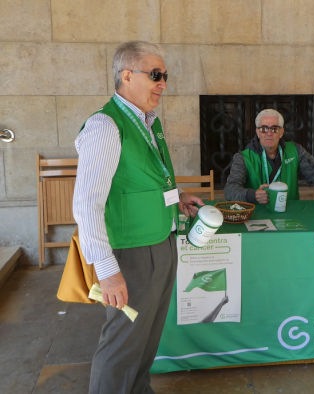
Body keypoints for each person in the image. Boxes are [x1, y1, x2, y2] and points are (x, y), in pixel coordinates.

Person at [73, 41, 204, 394]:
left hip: (160, 242)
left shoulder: (147, 121)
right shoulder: (105, 125)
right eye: (156, 75)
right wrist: (106, 268)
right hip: (129, 254)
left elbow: (140, 182)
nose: (163, 83)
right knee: (122, 343)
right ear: (127, 76)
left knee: (146, 337)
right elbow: (86, 204)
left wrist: (177, 199)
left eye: (165, 76)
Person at [224, 109, 314, 203]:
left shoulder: (296, 151)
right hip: (256, 214)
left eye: (274, 128)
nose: (269, 133)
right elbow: (230, 190)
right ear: (258, 132)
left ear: (281, 132)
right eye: (264, 128)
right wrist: (253, 195)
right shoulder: (243, 158)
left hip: (290, 213)